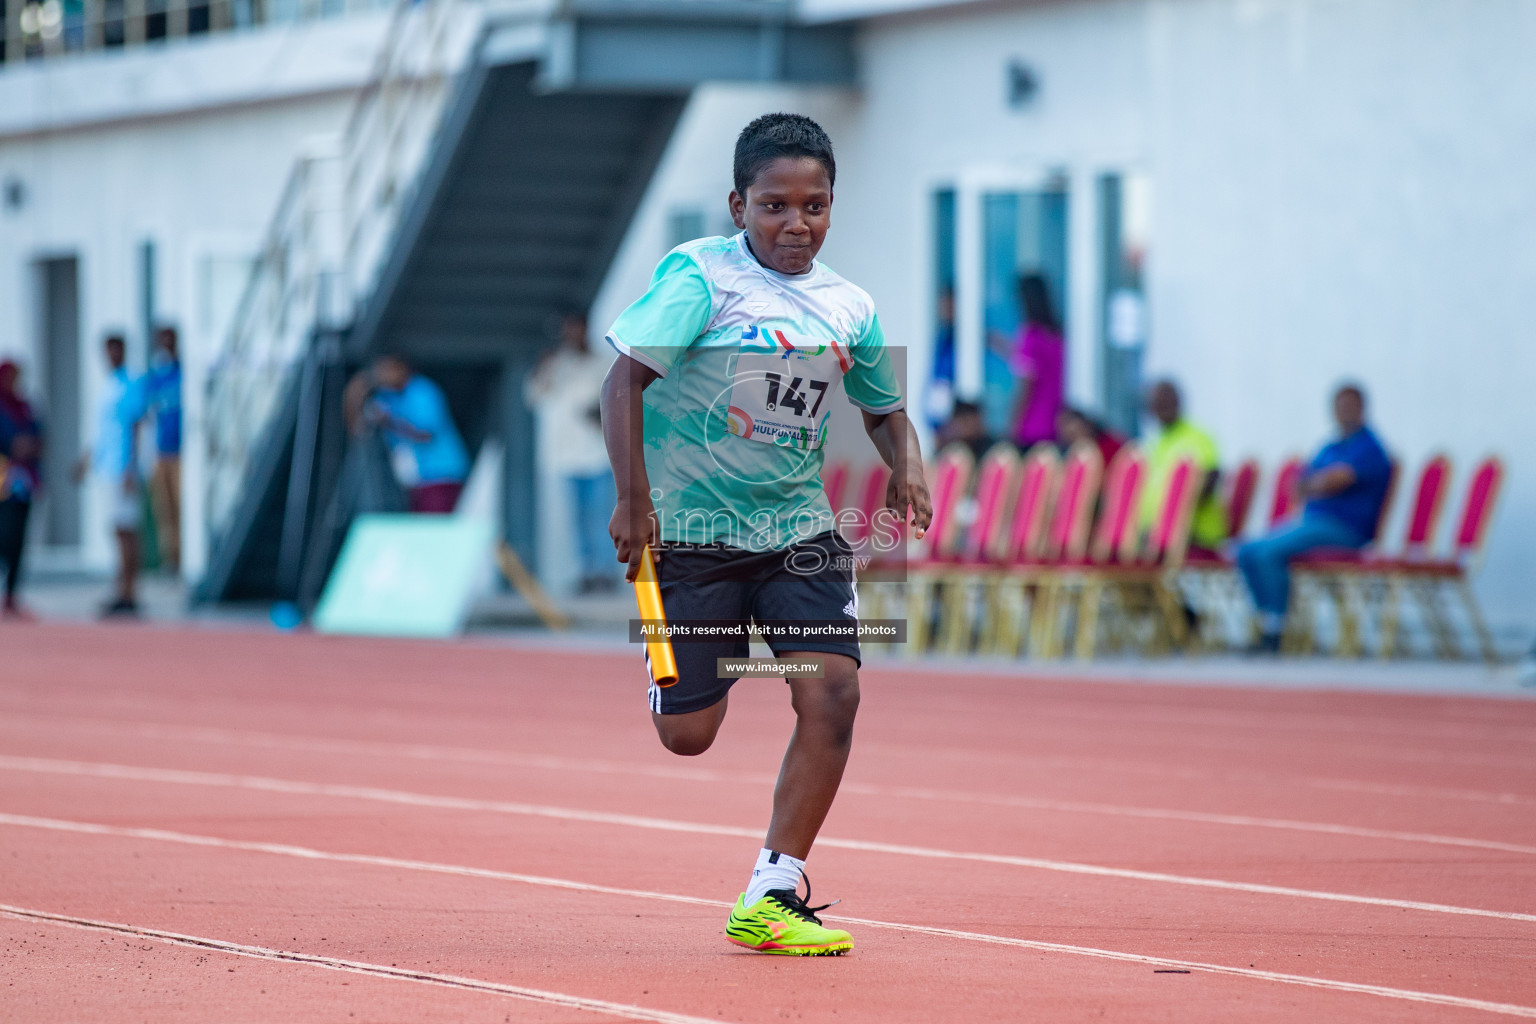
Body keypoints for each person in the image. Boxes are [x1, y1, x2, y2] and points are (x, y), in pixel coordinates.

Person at [602, 112, 931, 957]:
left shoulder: (849, 306)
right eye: (775, 206)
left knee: (834, 690)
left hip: (797, 531)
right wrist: (632, 501)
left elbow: (885, 409)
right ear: (738, 204)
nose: (797, 225)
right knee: (688, 735)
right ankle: (689, 666)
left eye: (815, 206)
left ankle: (773, 890)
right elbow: (621, 384)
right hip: (692, 530)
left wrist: (908, 464)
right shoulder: (700, 280)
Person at [1237, 384, 1393, 654]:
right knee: (1247, 550)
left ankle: (1277, 630)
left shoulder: (1370, 446)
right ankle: (1265, 620)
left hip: (1345, 530)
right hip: (1312, 523)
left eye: (1350, 406)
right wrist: (1318, 482)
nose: (1344, 412)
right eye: (1339, 406)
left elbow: (1337, 479)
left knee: (1267, 553)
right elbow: (1300, 484)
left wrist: (1317, 483)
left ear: (1362, 408)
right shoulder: (1331, 446)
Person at [526, 311, 619, 594]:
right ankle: (586, 572)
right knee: (577, 518)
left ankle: (606, 572)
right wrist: (545, 366)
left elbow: (617, 399)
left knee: (603, 515)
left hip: (597, 453)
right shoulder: (555, 363)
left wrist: (599, 413)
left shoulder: (602, 361)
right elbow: (533, 396)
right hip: (566, 455)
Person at [74, 334, 146, 617]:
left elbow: (136, 428)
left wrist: (131, 467)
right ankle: (120, 589)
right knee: (117, 530)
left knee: (127, 530)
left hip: (122, 468)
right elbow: (102, 431)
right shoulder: (107, 386)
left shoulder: (130, 384)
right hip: (107, 467)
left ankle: (129, 591)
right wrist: (86, 461)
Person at [345, 354, 469, 513]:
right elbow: (357, 428)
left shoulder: (422, 390)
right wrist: (355, 390)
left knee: (432, 526)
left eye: (387, 370)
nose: (383, 376)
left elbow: (426, 435)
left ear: (402, 368)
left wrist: (390, 422)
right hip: (413, 479)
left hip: (441, 474)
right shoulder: (387, 395)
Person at [1139, 380, 1225, 551]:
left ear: (1179, 402)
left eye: (1167, 401)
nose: (1162, 407)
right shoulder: (1155, 442)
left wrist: (1172, 523)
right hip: (1155, 535)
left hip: (1194, 533)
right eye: (1156, 404)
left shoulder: (1198, 436)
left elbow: (1211, 479)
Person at [0, 359, 43, 620]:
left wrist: (29, 446)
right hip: (3, 480)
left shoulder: (26, 406)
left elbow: (39, 435)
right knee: (4, 534)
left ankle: (12, 595)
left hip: (24, 483)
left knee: (18, 538)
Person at [1009, 273, 1065, 450]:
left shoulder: (1030, 337)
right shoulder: (1056, 337)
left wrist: (1013, 421)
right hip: (1055, 422)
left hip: (1032, 427)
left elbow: (1027, 385)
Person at [143, 325, 182, 573]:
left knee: (181, 506)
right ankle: (171, 560)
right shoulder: (155, 376)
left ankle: (186, 556)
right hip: (161, 451)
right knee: (164, 508)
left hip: (182, 452)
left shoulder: (184, 372)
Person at [1056, 406, 1125, 465]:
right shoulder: (1072, 457)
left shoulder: (1110, 445)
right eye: (1071, 436)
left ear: (1087, 425)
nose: (1077, 439)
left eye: (1079, 430)